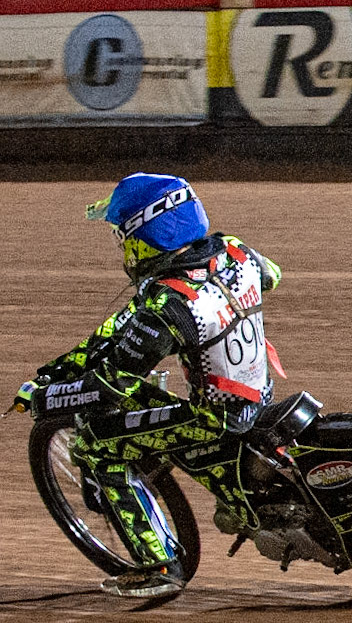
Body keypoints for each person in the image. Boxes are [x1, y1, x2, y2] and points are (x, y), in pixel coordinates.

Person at [13, 174, 283, 598]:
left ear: (145, 236)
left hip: (215, 419)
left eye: (124, 238)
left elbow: (110, 388)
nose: (122, 249)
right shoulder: (235, 250)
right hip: (260, 395)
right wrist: (55, 368)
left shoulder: (167, 303)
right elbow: (272, 276)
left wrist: (46, 396)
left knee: (99, 446)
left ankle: (160, 566)